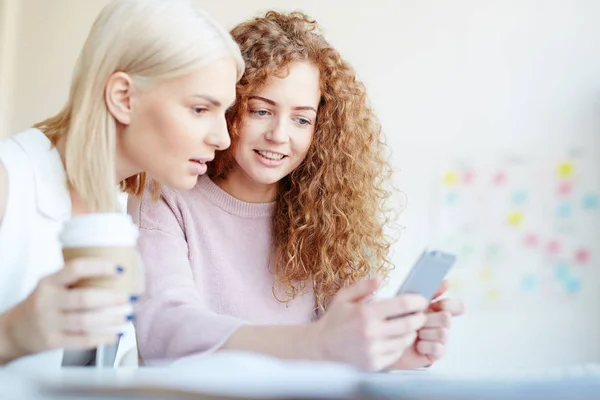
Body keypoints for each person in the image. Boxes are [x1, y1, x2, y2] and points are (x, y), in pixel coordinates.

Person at [130, 11, 464, 372]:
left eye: (301, 119)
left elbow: (344, 345)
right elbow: (165, 332)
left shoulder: (326, 214)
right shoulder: (165, 193)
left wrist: (394, 354)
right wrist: (316, 343)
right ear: (227, 108)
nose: (279, 134)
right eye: (260, 111)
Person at [0, 0, 243, 368]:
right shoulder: (8, 180)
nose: (223, 138)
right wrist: (12, 334)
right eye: (200, 109)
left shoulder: (118, 208)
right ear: (123, 98)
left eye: (223, 112)